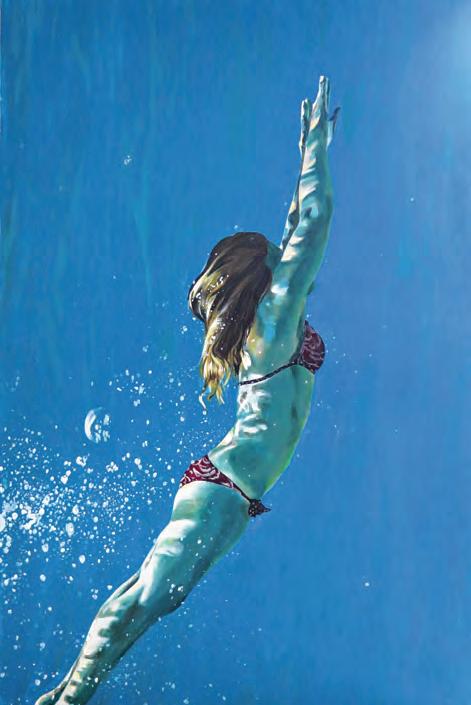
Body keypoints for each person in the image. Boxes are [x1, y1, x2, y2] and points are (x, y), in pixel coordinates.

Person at [35, 74, 338, 705]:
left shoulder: (275, 319)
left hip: (235, 495)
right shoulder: (274, 320)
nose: (286, 251)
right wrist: (315, 154)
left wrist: (301, 167)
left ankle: (66, 693)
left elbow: (295, 226)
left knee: (153, 598)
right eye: (277, 251)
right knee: (150, 597)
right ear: (263, 271)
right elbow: (311, 224)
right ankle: (69, 698)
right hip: (223, 486)